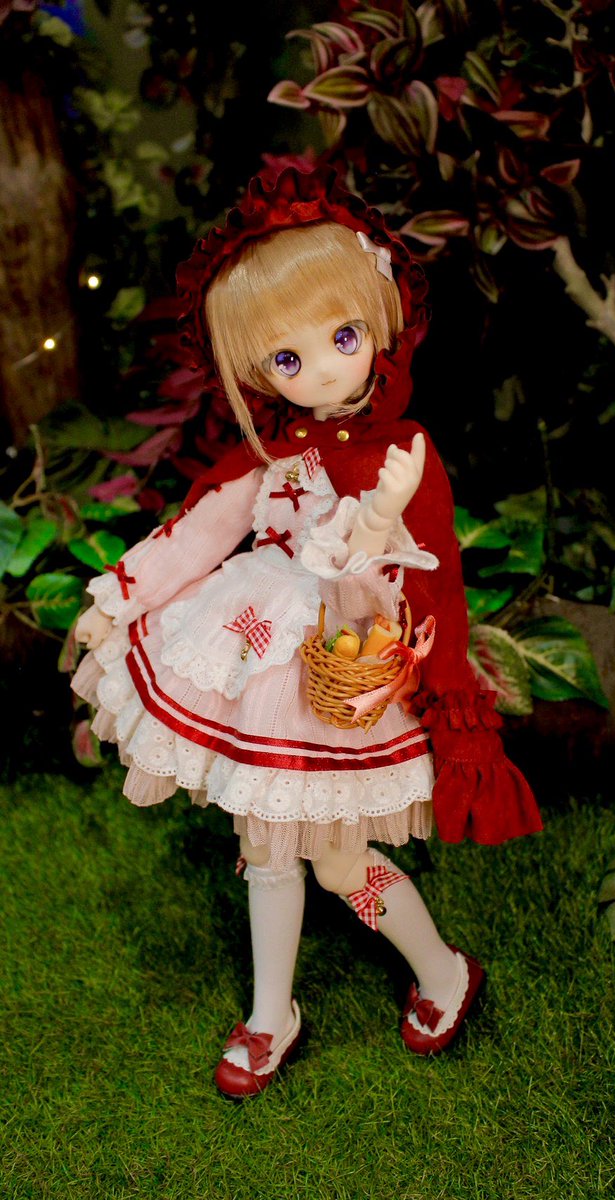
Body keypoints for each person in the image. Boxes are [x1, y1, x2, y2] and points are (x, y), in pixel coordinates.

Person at [73, 168, 542, 1098]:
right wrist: (122, 594)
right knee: (263, 849)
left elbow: (406, 590)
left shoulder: (402, 453)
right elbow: (203, 528)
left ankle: (442, 968)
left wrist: (376, 527)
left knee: (336, 859)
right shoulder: (273, 451)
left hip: (338, 669)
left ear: (381, 321)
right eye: (286, 359)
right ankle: (269, 1015)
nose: (323, 371)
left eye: (342, 338)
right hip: (258, 652)